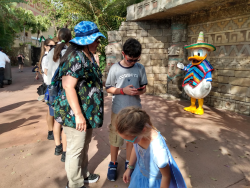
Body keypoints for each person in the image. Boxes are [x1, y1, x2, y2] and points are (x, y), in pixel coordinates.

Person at [53, 21, 105, 188]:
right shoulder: (76, 56)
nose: (98, 42)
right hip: (75, 113)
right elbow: (68, 86)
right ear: (87, 41)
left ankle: (83, 174)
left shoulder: (86, 55)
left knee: (84, 145)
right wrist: (79, 115)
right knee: (75, 149)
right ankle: (74, 184)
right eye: (96, 39)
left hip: (86, 111)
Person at [105, 38, 148, 181]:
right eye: (130, 60)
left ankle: (129, 163)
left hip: (135, 112)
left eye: (136, 60)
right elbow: (109, 88)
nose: (133, 62)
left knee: (132, 138)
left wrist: (139, 92)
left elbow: (143, 88)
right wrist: (123, 91)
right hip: (118, 110)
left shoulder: (140, 68)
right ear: (123, 54)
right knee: (115, 136)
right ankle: (113, 163)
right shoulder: (115, 69)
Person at [116, 107, 187, 188]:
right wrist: (130, 167)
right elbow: (136, 149)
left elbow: (166, 176)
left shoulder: (158, 152)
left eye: (130, 139)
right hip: (141, 174)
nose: (128, 142)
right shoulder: (140, 130)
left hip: (156, 183)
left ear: (143, 130)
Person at [45, 28, 71, 162]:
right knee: (65, 120)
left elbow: (48, 72)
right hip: (64, 88)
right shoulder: (69, 51)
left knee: (57, 119)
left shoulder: (51, 52)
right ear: (70, 38)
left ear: (57, 36)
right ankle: (65, 152)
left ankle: (57, 146)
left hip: (52, 88)